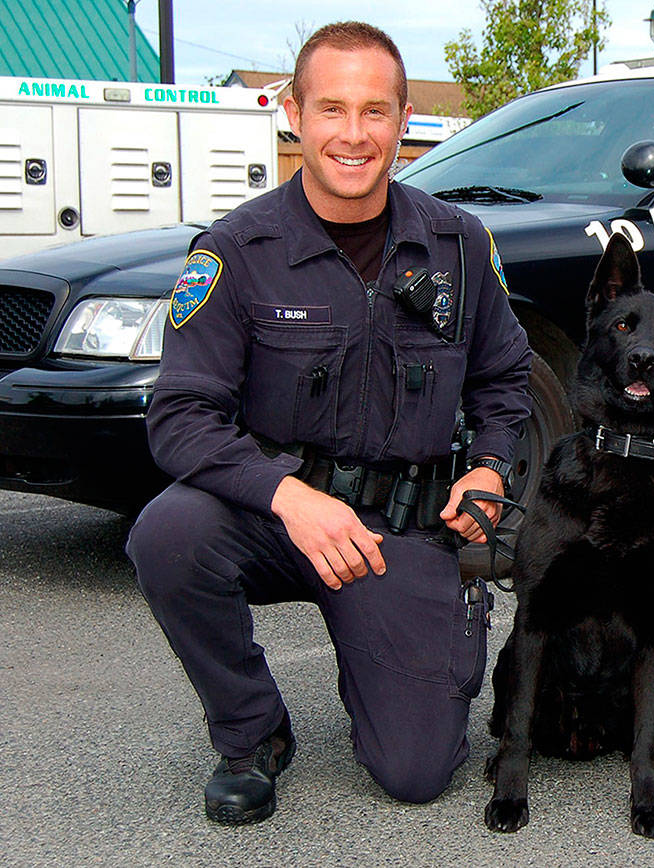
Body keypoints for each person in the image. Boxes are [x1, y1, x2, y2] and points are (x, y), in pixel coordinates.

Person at [126, 21, 532, 825]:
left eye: (376, 111)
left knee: (416, 773)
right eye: (332, 109)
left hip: (399, 531)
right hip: (275, 515)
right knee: (168, 534)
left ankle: (422, 640)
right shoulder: (238, 251)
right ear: (294, 114)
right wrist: (288, 497)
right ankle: (251, 733)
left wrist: (488, 464)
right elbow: (180, 416)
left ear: (405, 117)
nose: (354, 135)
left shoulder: (457, 244)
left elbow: (505, 378)